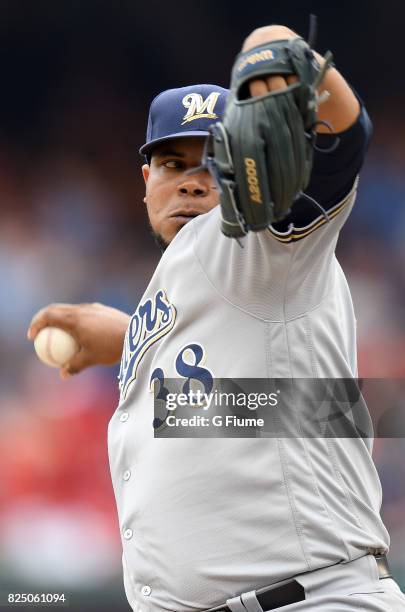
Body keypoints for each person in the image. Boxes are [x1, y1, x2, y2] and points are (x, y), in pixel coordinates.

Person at [28, 24, 405, 612]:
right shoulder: (183, 286)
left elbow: (343, 142)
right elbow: (245, 399)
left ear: (251, 164)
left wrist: (281, 45)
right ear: (146, 182)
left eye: (212, 160)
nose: (194, 181)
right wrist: (130, 340)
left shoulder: (263, 241)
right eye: (173, 163)